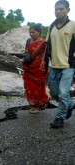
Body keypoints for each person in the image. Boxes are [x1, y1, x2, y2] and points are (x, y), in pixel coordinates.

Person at [43, 0, 75, 128]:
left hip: (68, 66)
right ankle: (71, 105)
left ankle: (59, 118)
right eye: (56, 9)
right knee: (55, 93)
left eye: (61, 9)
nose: (58, 11)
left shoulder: (73, 25)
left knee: (63, 94)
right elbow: (47, 45)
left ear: (68, 10)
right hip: (54, 65)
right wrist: (44, 61)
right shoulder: (52, 26)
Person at [23, 24, 49, 114]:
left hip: (38, 68)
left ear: (39, 32)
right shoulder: (28, 41)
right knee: (29, 86)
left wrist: (44, 67)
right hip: (29, 66)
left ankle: (38, 106)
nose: (31, 34)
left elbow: (46, 56)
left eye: (33, 32)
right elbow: (26, 52)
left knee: (37, 87)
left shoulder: (44, 42)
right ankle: (35, 104)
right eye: (30, 32)